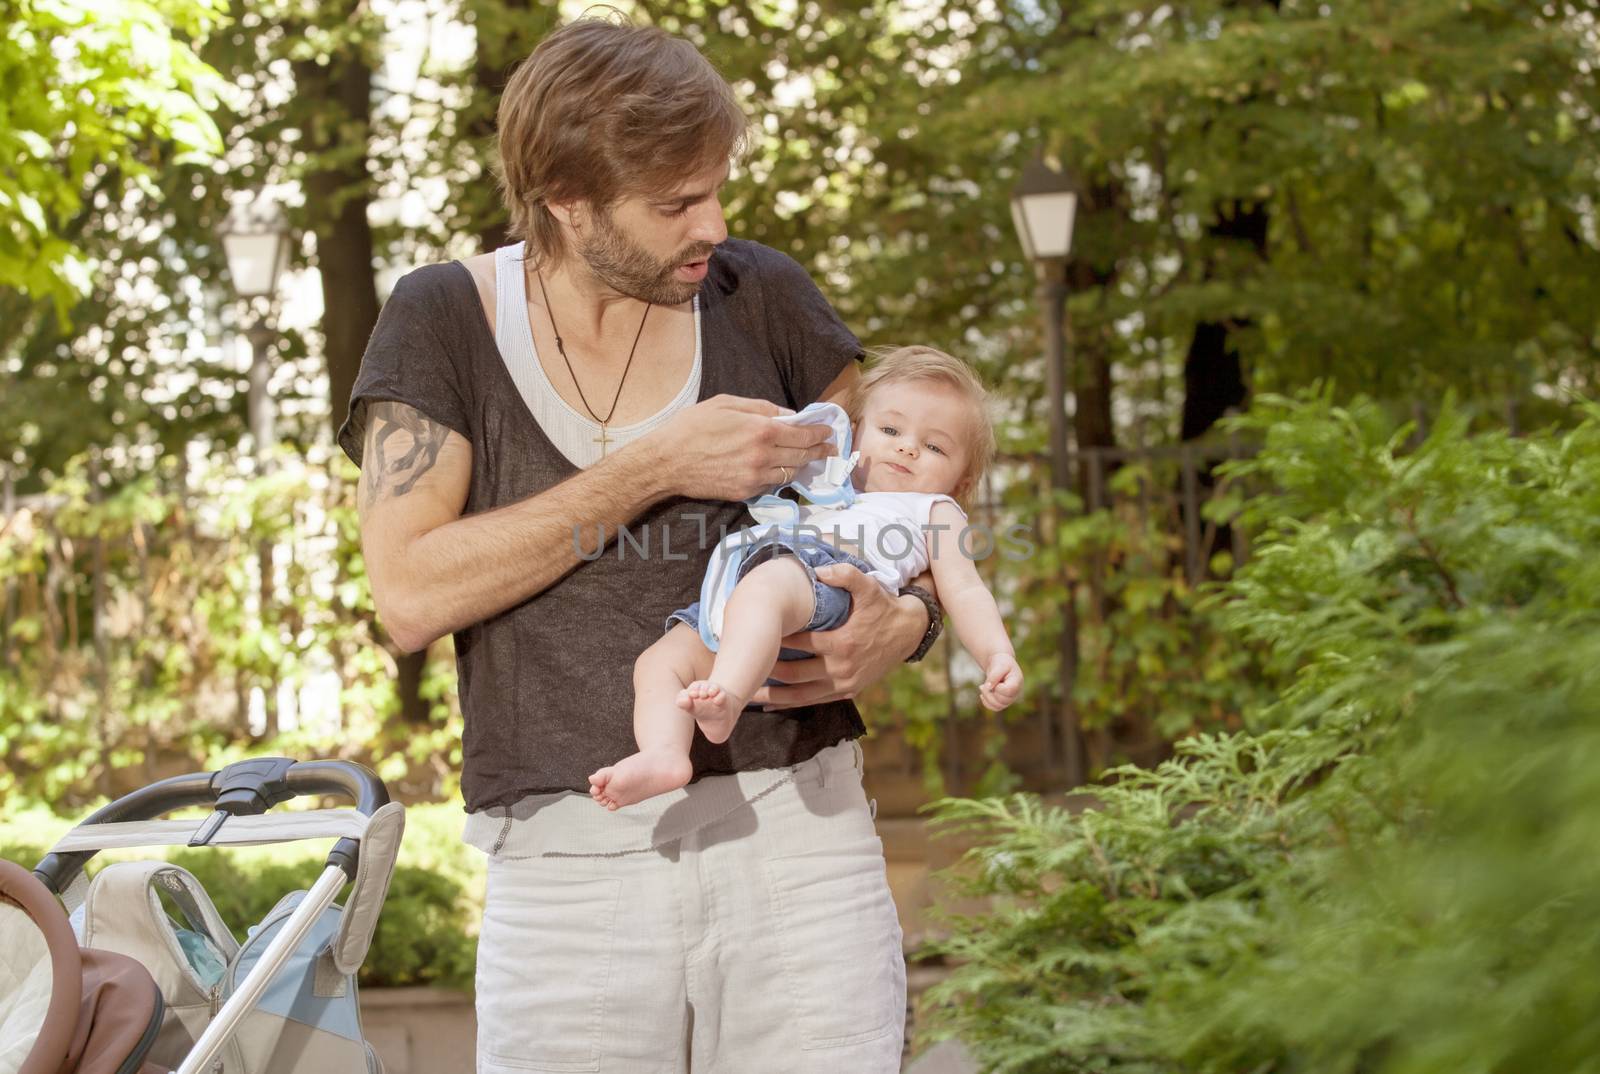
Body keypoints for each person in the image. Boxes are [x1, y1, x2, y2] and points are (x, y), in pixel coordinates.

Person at [338, 14, 948, 1074]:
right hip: (568, 872)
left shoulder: (763, 298)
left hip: (799, 843)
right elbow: (408, 591)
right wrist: (653, 467)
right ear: (568, 203)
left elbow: (902, 505)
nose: (711, 223)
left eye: (714, 188)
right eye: (675, 203)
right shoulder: (442, 321)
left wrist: (911, 621)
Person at [590, 346, 1024, 809]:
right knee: (660, 660)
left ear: (960, 481)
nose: (907, 446)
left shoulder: (935, 509)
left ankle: (728, 695)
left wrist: (997, 654)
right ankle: (664, 754)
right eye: (891, 429)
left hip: (831, 581)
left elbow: (963, 588)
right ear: (856, 436)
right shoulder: (832, 487)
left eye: (935, 446)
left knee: (766, 587)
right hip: (759, 584)